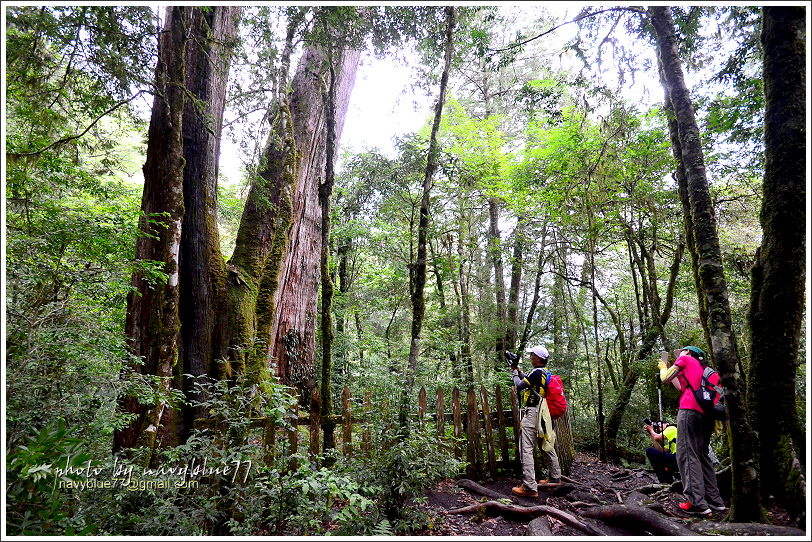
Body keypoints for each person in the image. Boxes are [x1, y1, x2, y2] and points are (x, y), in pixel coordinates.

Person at [658, 346, 726, 516]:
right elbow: (681, 387)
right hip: (707, 416)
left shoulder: (686, 359)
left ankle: (697, 503)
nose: (679, 353)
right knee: (702, 455)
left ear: (688, 352)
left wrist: (663, 367)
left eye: (682, 351)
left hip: (689, 411)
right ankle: (715, 500)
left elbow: (665, 378)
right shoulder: (706, 371)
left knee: (687, 453)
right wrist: (670, 368)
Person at [508, 345, 562, 498]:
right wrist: (517, 369)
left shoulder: (536, 372)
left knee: (526, 447)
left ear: (538, 358)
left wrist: (514, 373)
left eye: (532, 354)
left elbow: (519, 386)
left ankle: (530, 486)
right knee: (546, 444)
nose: (530, 356)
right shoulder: (544, 373)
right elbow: (528, 380)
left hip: (533, 412)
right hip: (544, 413)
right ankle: (555, 478)